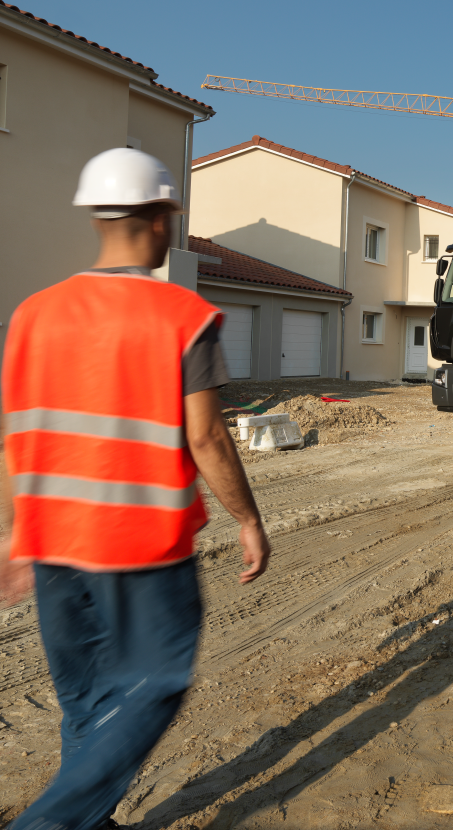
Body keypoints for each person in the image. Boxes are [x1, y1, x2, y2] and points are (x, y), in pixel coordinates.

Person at [0, 147, 272, 830]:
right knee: (156, 682)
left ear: (97, 217)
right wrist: (248, 519)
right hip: (142, 546)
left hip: (54, 540)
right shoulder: (184, 316)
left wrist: (13, 531)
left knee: (89, 699)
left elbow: (14, 437)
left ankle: (89, 821)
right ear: (160, 220)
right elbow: (206, 437)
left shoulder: (34, 313)